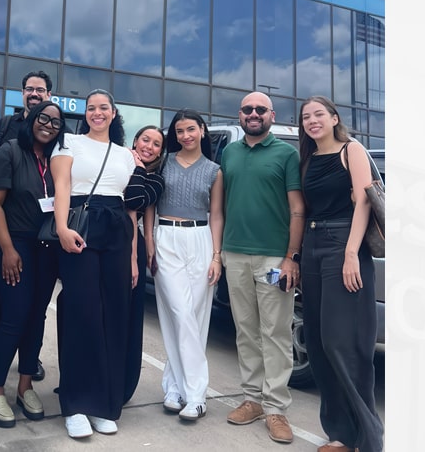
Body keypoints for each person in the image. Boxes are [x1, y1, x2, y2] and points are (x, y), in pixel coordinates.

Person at [49, 89, 138, 439]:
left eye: (103, 108)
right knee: (82, 313)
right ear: (85, 113)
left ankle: (103, 403)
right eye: (91, 108)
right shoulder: (69, 142)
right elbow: (62, 186)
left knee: (114, 314)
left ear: (114, 113)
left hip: (117, 230)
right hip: (80, 226)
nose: (97, 113)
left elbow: (131, 207)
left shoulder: (126, 155)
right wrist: (61, 228)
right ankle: (75, 404)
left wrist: (132, 257)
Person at [297, 96, 384, 452]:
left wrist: (351, 253)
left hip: (342, 244)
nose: (312, 121)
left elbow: (364, 200)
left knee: (343, 343)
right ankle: (340, 434)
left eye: (319, 114)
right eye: (306, 117)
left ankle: (368, 437)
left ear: (334, 118)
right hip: (313, 243)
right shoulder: (308, 159)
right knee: (318, 344)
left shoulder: (353, 150)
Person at [219, 91, 305, 444]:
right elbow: (221, 205)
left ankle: (276, 408)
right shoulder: (229, 152)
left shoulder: (287, 154)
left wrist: (290, 257)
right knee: (246, 331)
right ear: (240, 115)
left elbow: (297, 209)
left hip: (273, 258)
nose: (253, 114)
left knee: (276, 333)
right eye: (247, 110)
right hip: (235, 254)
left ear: (272, 115)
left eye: (260, 110)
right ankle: (252, 399)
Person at [0, 101, 66, 428]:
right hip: (13, 243)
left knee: (36, 316)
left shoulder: (56, 160)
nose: (49, 125)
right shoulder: (10, 152)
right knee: (14, 315)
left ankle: (25, 386)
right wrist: (7, 249)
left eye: (56, 123)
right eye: (44, 118)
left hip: (46, 246)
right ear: (31, 119)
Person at [145, 109, 224, 421]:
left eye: (191, 129)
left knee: (194, 316)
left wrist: (217, 255)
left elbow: (217, 214)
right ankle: (196, 393)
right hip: (166, 238)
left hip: (201, 240)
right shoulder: (163, 163)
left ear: (202, 131)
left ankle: (175, 387)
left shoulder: (215, 171)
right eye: (179, 131)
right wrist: (150, 241)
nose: (185, 136)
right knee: (178, 312)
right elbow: (150, 203)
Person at [0, 70, 53, 383]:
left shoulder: (55, 136)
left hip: (40, 235)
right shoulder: (5, 127)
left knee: (34, 303)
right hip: (2, 230)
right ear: (21, 93)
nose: (34, 94)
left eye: (41, 90)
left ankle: (27, 359)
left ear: (49, 95)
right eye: (29, 89)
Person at [122, 124, 165, 405]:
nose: (148, 146)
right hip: (104, 240)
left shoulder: (155, 180)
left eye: (156, 144)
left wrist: (147, 246)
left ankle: (124, 384)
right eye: (145, 140)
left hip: (129, 242)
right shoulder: (116, 160)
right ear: (135, 140)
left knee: (129, 317)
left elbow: (137, 206)